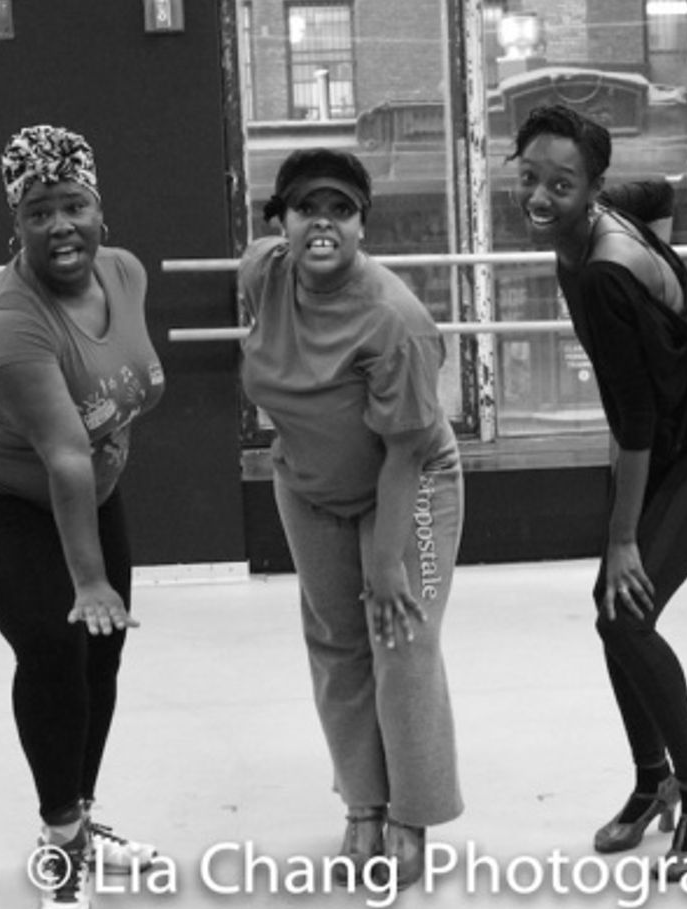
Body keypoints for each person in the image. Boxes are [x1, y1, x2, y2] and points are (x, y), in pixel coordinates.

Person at [509, 105, 687, 877]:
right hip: (672, 436)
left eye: (562, 183)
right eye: (530, 177)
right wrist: (669, 222)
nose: (541, 196)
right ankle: (654, 781)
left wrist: (622, 540)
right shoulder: (600, 217)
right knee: (615, 613)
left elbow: (636, 420)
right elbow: (653, 195)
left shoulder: (604, 272)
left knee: (625, 611)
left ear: (591, 189)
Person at [0, 125, 164, 908]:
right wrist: (87, 579)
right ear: (15, 229)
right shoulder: (8, 322)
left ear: (101, 213)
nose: (59, 225)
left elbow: (109, 402)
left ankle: (83, 818)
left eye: (73, 205)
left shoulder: (125, 275)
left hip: (88, 490)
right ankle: (60, 837)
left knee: (101, 663)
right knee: (55, 644)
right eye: (38, 212)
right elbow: (63, 450)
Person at [237, 148, 464, 890]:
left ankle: (411, 814)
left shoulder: (395, 320)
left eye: (342, 210)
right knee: (335, 641)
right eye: (308, 209)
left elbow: (403, 453)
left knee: (399, 637)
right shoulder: (264, 272)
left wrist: (386, 561)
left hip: (410, 484)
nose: (323, 224)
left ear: (365, 225)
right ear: (283, 223)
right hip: (307, 483)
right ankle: (363, 804)